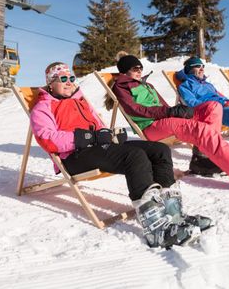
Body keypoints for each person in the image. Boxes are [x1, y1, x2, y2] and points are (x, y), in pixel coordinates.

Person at [30, 62, 211, 249]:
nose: (69, 82)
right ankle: (156, 229)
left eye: (71, 78)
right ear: (51, 83)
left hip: (97, 147)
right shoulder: (43, 107)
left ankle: (173, 215)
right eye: (63, 79)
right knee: (134, 155)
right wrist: (85, 138)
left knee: (160, 150)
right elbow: (47, 139)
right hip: (73, 156)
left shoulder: (80, 100)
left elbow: (98, 126)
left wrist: (108, 134)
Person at [111, 55, 229, 192]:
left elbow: (163, 106)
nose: (139, 70)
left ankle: (203, 158)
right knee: (201, 130)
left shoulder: (147, 85)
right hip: (151, 126)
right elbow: (135, 110)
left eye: (140, 67)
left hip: (165, 119)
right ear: (124, 71)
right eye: (134, 68)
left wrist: (177, 111)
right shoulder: (121, 87)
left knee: (213, 107)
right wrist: (169, 113)